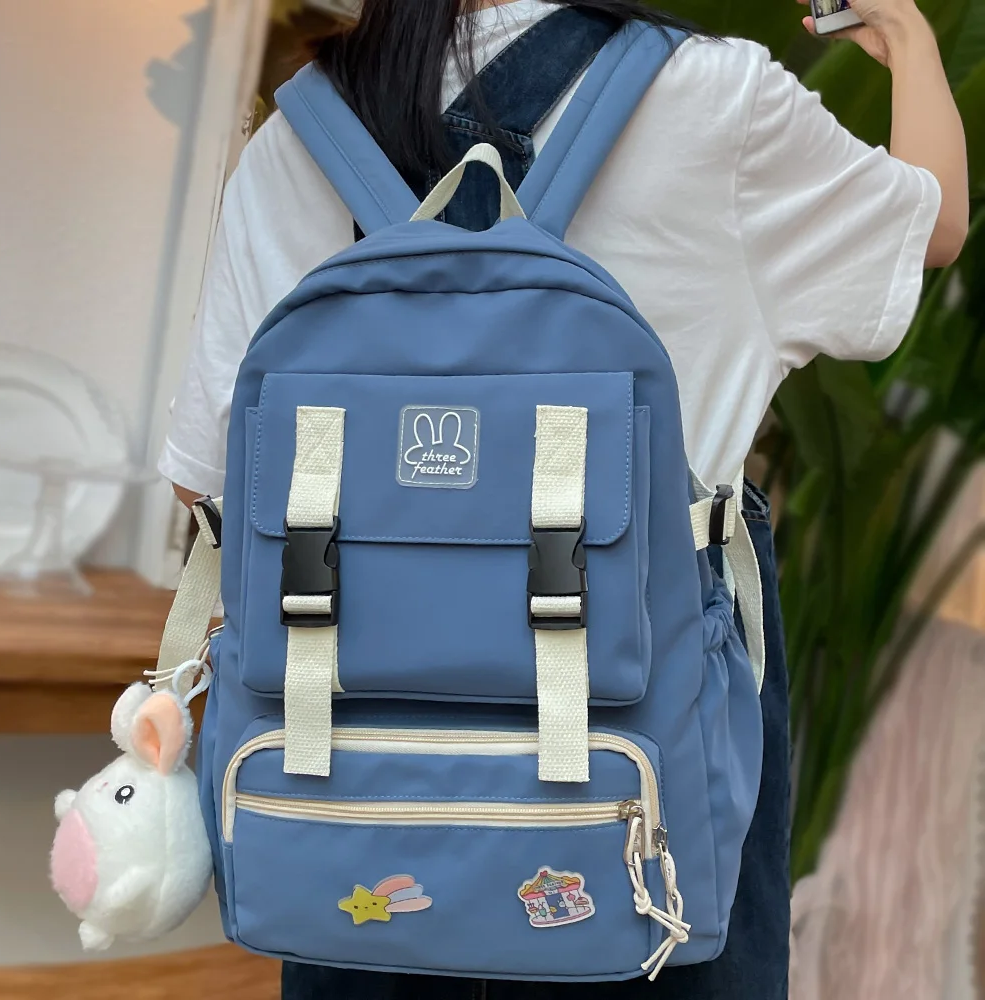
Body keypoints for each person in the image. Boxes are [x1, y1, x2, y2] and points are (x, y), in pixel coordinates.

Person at [160, 1, 968, 998]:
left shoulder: (296, 137)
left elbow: (205, 482)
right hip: (631, 786)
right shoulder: (720, 98)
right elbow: (933, 224)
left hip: (356, 806)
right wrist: (907, 38)